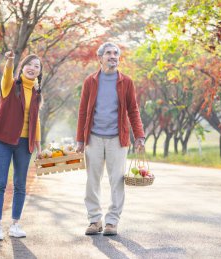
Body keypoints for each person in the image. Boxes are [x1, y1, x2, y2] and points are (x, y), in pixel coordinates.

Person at [76, 42, 145, 236]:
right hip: (94, 138)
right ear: (100, 58)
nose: (113, 56)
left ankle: (112, 222)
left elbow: (133, 109)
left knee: (117, 180)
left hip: (117, 139)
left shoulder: (126, 82)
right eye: (108, 53)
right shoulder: (90, 81)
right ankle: (95, 220)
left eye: (115, 53)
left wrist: (139, 135)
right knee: (92, 181)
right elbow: (82, 111)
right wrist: (80, 139)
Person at [0, 50, 43, 241]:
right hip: (3, 140)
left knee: (20, 184)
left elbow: (36, 120)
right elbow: (7, 73)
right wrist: (9, 61)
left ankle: (15, 225)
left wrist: (38, 145)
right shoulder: (10, 85)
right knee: (0, 183)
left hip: (24, 143)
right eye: (29, 64)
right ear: (22, 67)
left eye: (37, 66)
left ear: (39, 72)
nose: (32, 68)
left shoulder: (36, 92)